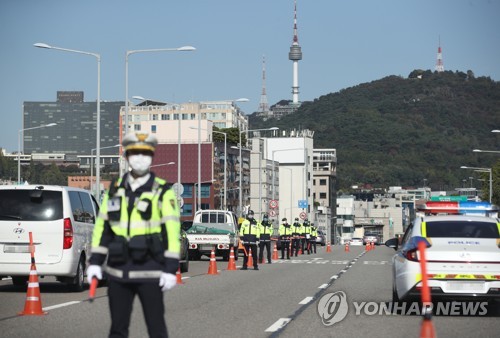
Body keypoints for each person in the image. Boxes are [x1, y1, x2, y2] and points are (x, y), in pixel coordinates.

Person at [86, 132, 180, 338]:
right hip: (118, 272)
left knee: (156, 328)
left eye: (145, 154)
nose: (139, 158)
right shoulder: (115, 189)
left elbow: (172, 232)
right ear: (126, 157)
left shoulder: (162, 191)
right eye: (134, 153)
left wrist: (171, 268)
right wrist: (95, 261)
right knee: (117, 330)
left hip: (150, 271)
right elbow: (104, 228)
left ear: (151, 158)